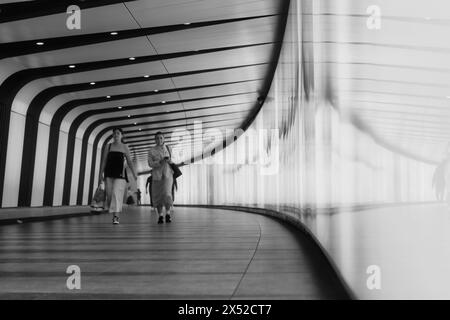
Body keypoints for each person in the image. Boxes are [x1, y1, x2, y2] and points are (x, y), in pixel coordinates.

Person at [99, 127, 137, 225]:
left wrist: (134, 173)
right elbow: (104, 161)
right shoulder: (108, 146)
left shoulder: (125, 147)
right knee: (110, 195)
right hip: (108, 174)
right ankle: (114, 213)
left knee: (116, 194)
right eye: (114, 133)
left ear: (122, 135)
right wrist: (100, 173)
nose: (116, 135)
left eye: (118, 133)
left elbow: (129, 162)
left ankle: (116, 217)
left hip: (120, 175)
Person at [147, 132, 174, 224]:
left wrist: (169, 160)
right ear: (155, 140)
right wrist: (160, 162)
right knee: (158, 195)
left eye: (161, 138)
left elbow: (173, 161)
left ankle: (168, 214)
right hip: (157, 175)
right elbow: (150, 164)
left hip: (168, 174)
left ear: (164, 139)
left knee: (167, 193)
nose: (159, 140)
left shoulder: (169, 148)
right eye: (157, 138)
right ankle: (160, 216)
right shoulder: (151, 150)